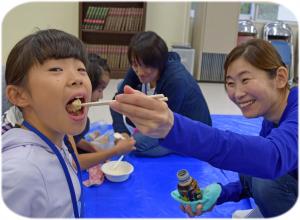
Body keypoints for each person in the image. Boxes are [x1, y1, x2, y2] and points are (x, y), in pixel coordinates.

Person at [109, 39, 298, 218]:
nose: (238, 93)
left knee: (263, 178)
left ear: (280, 77)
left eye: (246, 80)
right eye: (231, 83)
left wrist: (174, 127)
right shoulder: (272, 115)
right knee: (251, 166)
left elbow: (273, 158)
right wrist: (220, 193)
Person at [2, 29, 91, 217]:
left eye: (81, 69)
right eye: (56, 69)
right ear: (19, 95)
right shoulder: (20, 173)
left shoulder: (59, 139)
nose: (77, 79)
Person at [110, 31, 212, 157]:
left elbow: (164, 125)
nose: (140, 72)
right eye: (135, 64)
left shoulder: (176, 80)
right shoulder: (137, 68)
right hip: (166, 117)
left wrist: (134, 129)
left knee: (137, 143)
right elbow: (115, 100)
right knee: (123, 87)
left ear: (159, 62)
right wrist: (122, 133)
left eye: (146, 66)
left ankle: (183, 147)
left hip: (189, 128)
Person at [72, 53, 135, 170]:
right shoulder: (69, 117)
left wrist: (94, 149)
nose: (101, 96)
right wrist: (114, 151)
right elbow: (75, 163)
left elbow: (73, 139)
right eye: (100, 89)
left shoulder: (80, 115)